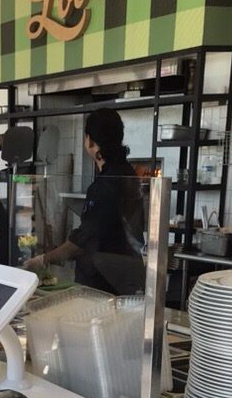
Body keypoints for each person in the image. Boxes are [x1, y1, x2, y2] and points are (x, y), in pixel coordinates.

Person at [25, 108, 145, 295]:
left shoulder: (104, 186)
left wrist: (42, 260)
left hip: (103, 283)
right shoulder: (128, 173)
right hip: (127, 276)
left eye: (85, 136)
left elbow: (80, 243)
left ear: (91, 142)